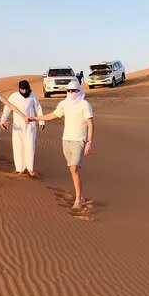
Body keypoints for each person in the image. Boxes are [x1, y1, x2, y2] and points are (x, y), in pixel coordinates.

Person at [30, 80, 94, 210]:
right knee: (72, 169)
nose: (71, 93)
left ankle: (78, 200)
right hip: (66, 140)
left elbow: (91, 124)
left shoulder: (84, 104)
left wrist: (89, 142)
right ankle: (80, 196)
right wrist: (36, 118)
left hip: (79, 140)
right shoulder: (64, 104)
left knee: (74, 168)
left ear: (79, 90)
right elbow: (53, 115)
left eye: (73, 90)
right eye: (69, 90)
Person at [0, 80, 45, 177]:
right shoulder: (14, 96)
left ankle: (30, 169)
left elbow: (38, 108)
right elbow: (7, 108)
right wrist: (3, 120)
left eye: (26, 89)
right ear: (19, 89)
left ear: (29, 88)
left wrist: (41, 121)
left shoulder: (33, 96)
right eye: (22, 89)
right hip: (18, 126)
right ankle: (19, 169)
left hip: (30, 126)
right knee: (18, 146)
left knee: (30, 146)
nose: (24, 91)